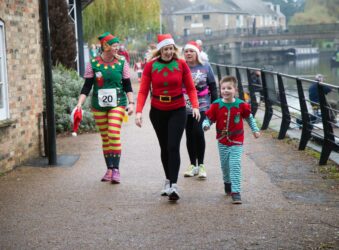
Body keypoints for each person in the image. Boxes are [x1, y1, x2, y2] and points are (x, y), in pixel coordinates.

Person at [135, 33, 200, 202]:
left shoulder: (181, 64)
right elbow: (143, 91)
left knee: (173, 146)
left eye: (171, 49)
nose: (169, 52)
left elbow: (191, 89)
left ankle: (174, 185)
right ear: (160, 50)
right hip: (157, 111)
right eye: (166, 49)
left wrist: (195, 106)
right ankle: (167, 181)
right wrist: (138, 111)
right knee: (164, 147)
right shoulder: (150, 66)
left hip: (177, 110)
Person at [75, 32, 135, 184]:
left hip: (118, 103)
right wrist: (79, 104)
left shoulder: (122, 62)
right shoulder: (93, 64)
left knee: (113, 133)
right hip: (99, 105)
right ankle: (109, 169)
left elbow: (127, 84)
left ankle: (116, 169)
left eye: (117, 46)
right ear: (106, 47)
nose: (117, 48)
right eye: (115, 46)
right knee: (105, 137)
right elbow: (87, 86)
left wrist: (131, 103)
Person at [202, 76, 260, 204]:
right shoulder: (216, 104)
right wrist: (205, 125)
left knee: (235, 164)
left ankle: (236, 192)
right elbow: (209, 118)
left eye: (229, 88)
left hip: (236, 140)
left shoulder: (241, 105)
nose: (226, 91)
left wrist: (255, 130)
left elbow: (249, 118)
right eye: (223, 88)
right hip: (222, 140)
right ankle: (227, 183)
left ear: (235, 90)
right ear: (220, 89)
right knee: (225, 166)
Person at [182, 41, 218, 179]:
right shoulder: (181, 67)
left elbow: (213, 86)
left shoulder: (206, 66)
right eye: (186, 51)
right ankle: (192, 165)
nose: (188, 53)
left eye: (191, 51)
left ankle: (201, 165)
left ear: (197, 53)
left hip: (203, 104)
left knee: (198, 131)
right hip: (185, 105)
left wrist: (215, 106)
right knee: (189, 134)